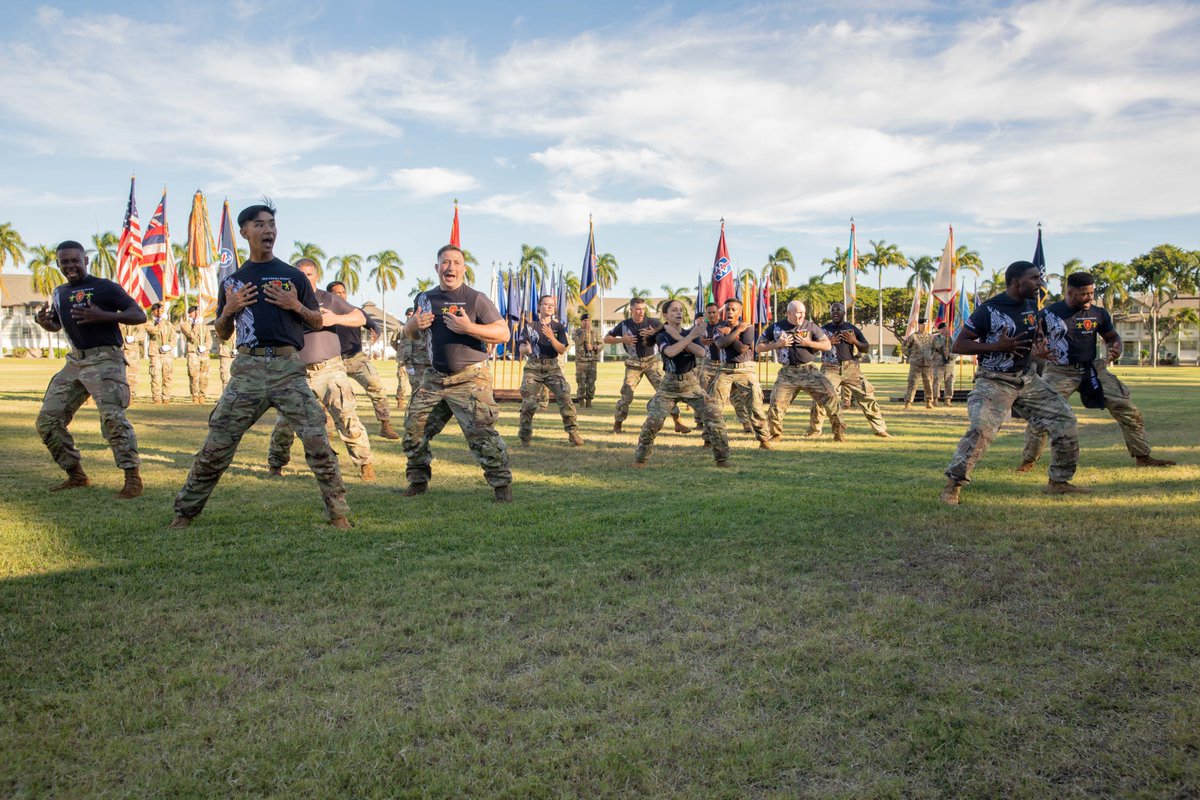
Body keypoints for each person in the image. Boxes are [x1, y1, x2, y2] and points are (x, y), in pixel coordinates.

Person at [171, 202, 350, 529]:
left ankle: (339, 515)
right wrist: (228, 311)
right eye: (260, 225)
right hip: (248, 371)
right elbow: (223, 335)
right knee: (217, 444)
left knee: (318, 443)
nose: (268, 230)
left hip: (287, 369)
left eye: (272, 224)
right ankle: (184, 514)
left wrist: (295, 304)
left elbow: (316, 321)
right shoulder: (234, 281)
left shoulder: (293, 276)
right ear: (244, 232)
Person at [940, 260, 1088, 505]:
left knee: (1064, 419)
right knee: (980, 430)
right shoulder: (989, 310)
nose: (1039, 284)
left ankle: (1059, 482)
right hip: (994, 381)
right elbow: (959, 344)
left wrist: (1037, 351)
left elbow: (1029, 340)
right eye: (1034, 278)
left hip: (1027, 380)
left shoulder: (1031, 305)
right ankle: (952, 486)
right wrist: (995, 346)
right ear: (1016, 281)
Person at [1017, 271, 1175, 471]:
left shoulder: (1098, 313)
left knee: (1128, 409)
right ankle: (1028, 461)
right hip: (1059, 371)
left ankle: (1143, 456)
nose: (1090, 297)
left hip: (1092, 369)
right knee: (1042, 415)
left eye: (1092, 293)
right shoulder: (1049, 314)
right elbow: (1032, 342)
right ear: (1070, 292)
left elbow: (1111, 336)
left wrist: (1115, 347)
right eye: (1084, 294)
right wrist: (1038, 351)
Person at [400, 244, 513, 502]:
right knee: (413, 430)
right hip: (434, 379)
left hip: (470, 379)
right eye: (445, 262)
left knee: (482, 434)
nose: (450, 267)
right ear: (437, 267)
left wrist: (468, 327)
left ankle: (501, 486)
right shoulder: (424, 298)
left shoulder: (476, 298)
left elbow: (503, 333)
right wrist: (412, 325)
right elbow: (412, 333)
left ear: (463, 268)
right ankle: (418, 481)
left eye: (455, 262)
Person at [34, 240, 145, 498]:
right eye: (64, 262)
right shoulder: (60, 292)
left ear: (85, 260)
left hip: (105, 358)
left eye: (75, 260)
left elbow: (139, 315)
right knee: (47, 421)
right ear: (59, 264)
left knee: (113, 419)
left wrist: (104, 316)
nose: (70, 266)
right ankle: (76, 475)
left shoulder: (104, 287)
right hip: (75, 361)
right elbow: (59, 326)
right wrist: (45, 323)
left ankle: (132, 480)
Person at [267, 259, 376, 481]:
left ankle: (365, 464)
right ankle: (276, 464)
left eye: (308, 274)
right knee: (285, 422)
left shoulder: (329, 299)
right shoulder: (284, 301)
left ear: (316, 276)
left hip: (329, 369)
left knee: (346, 416)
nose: (304, 278)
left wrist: (334, 318)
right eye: (299, 274)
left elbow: (360, 317)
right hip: (296, 371)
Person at [633, 299, 729, 466]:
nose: (679, 313)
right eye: (674, 310)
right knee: (653, 421)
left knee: (714, 416)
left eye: (681, 310)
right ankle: (640, 460)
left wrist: (682, 337)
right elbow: (670, 352)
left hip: (691, 384)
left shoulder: (686, 333)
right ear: (665, 315)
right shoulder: (662, 335)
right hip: (669, 385)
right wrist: (690, 337)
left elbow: (700, 352)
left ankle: (722, 460)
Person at [758, 300, 843, 442]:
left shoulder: (810, 326)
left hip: (809, 370)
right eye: (798, 312)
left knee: (831, 397)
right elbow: (759, 347)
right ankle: (776, 434)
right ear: (789, 313)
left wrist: (808, 343)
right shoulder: (776, 327)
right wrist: (778, 344)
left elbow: (827, 345)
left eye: (803, 312)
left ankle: (838, 433)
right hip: (787, 373)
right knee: (776, 403)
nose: (801, 315)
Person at [603, 297, 690, 434]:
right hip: (633, 364)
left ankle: (677, 422)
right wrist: (622, 339)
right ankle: (618, 424)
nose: (641, 312)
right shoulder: (624, 325)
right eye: (638, 309)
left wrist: (655, 334)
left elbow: (670, 332)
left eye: (643, 309)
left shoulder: (653, 323)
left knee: (666, 391)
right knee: (627, 394)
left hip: (651, 362)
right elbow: (606, 339)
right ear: (631, 309)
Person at [327, 279, 400, 439]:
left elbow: (374, 325)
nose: (341, 295)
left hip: (357, 359)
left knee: (376, 386)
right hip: (334, 360)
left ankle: (385, 425)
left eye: (343, 292)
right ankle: (328, 430)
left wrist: (377, 332)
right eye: (336, 293)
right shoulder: (326, 314)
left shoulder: (356, 311)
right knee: (329, 395)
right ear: (330, 296)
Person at [806, 302, 890, 437]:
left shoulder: (851, 329)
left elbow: (865, 347)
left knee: (867, 397)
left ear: (844, 312)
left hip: (850, 368)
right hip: (829, 368)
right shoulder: (823, 330)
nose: (835, 312)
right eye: (833, 310)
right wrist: (827, 343)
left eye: (838, 310)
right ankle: (814, 431)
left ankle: (880, 429)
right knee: (820, 398)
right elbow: (811, 349)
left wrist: (854, 341)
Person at [517, 295, 584, 446]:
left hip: (552, 367)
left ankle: (573, 433)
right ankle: (525, 437)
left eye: (551, 305)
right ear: (539, 307)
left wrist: (551, 338)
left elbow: (561, 349)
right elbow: (521, 347)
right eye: (546, 305)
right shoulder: (530, 326)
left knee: (565, 398)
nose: (549, 307)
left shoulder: (558, 327)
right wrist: (526, 349)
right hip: (533, 368)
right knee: (529, 403)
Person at [711, 297, 772, 448]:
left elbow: (742, 349)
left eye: (733, 309)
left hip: (745, 369)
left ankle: (764, 440)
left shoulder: (749, 327)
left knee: (755, 404)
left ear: (740, 312)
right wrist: (737, 331)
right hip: (725, 369)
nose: (730, 312)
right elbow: (720, 344)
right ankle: (710, 439)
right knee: (714, 404)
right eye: (727, 309)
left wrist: (729, 334)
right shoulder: (718, 328)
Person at [695, 301, 754, 433]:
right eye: (709, 313)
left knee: (735, 396)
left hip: (724, 364)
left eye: (714, 312)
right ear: (706, 314)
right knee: (704, 394)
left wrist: (730, 335)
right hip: (708, 364)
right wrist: (701, 340)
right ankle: (701, 422)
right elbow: (691, 337)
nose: (712, 315)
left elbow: (738, 343)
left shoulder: (724, 326)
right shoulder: (702, 327)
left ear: (718, 313)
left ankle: (746, 423)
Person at [178, 305, 211, 404]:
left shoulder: (203, 326)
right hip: (193, 353)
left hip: (204, 353)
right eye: (195, 312)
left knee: (204, 376)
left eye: (198, 312)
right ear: (190, 313)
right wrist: (197, 323)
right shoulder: (185, 324)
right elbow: (191, 335)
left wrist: (205, 347)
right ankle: (195, 395)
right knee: (194, 375)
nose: (197, 314)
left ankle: (202, 395)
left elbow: (209, 339)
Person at [145, 302, 176, 404]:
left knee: (167, 375)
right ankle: (156, 397)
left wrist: (169, 346)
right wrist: (159, 322)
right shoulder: (149, 323)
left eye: (161, 311)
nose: (159, 313)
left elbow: (173, 338)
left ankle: (166, 397)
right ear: (153, 312)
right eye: (157, 311)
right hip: (155, 353)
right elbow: (153, 331)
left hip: (166, 354)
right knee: (156, 375)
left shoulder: (168, 324)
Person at [903, 318, 936, 409]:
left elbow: (934, 349)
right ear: (919, 325)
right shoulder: (913, 336)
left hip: (927, 364)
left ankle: (929, 402)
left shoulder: (930, 337)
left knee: (928, 383)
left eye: (925, 324)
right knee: (913, 383)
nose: (924, 326)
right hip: (916, 364)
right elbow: (905, 347)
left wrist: (931, 356)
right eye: (922, 324)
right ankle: (908, 402)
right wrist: (910, 356)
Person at [571, 310, 601, 407]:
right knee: (581, 382)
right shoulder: (576, 332)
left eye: (588, 320)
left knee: (591, 382)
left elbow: (602, 344)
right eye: (584, 320)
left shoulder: (595, 332)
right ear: (581, 322)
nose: (587, 322)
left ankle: (589, 402)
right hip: (581, 361)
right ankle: (581, 403)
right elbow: (578, 342)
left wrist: (594, 347)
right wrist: (585, 332)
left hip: (592, 361)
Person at [390, 308, 416, 410]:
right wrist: (400, 350)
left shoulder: (420, 328)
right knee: (402, 382)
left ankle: (415, 404)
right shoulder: (401, 328)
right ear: (406, 315)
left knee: (416, 382)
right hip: (403, 361)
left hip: (416, 361)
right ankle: (400, 402)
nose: (410, 316)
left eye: (412, 314)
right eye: (409, 314)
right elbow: (393, 341)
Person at [120, 320, 146, 402]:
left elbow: (142, 334)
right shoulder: (116, 318)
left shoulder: (136, 319)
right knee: (119, 375)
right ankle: (120, 396)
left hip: (133, 352)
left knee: (132, 376)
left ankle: (130, 396)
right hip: (119, 350)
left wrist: (134, 338)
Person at [931, 322, 955, 405]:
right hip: (938, 364)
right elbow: (937, 346)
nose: (946, 330)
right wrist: (943, 337)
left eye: (946, 328)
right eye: (943, 328)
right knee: (937, 381)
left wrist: (950, 355)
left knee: (949, 381)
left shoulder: (952, 339)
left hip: (949, 364)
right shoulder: (936, 338)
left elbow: (957, 351)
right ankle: (935, 399)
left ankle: (948, 399)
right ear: (940, 330)